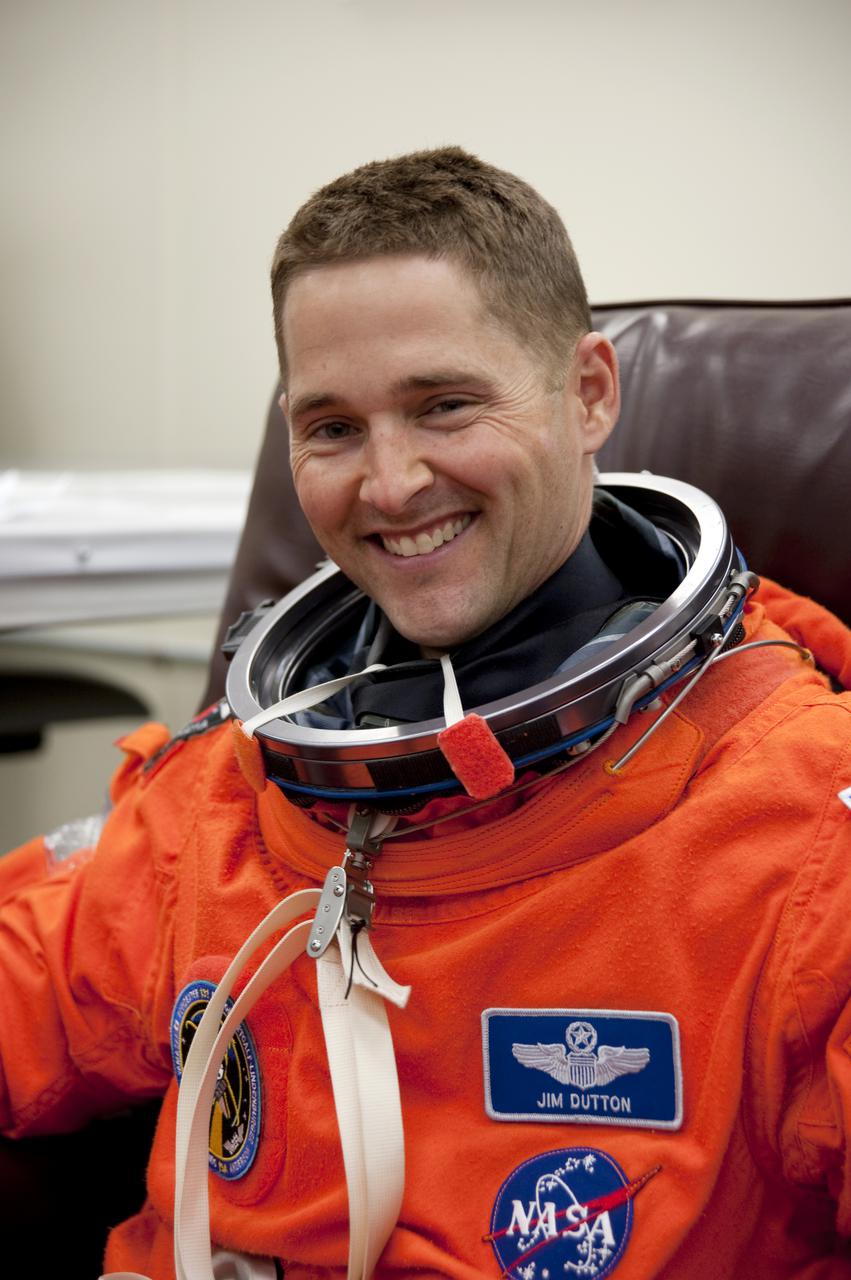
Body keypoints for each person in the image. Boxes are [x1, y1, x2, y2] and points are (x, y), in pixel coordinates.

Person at [2, 147, 851, 1280]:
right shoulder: (233, 784)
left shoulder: (798, 836)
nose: (389, 483)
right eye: (332, 428)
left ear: (588, 392)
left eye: (443, 405)